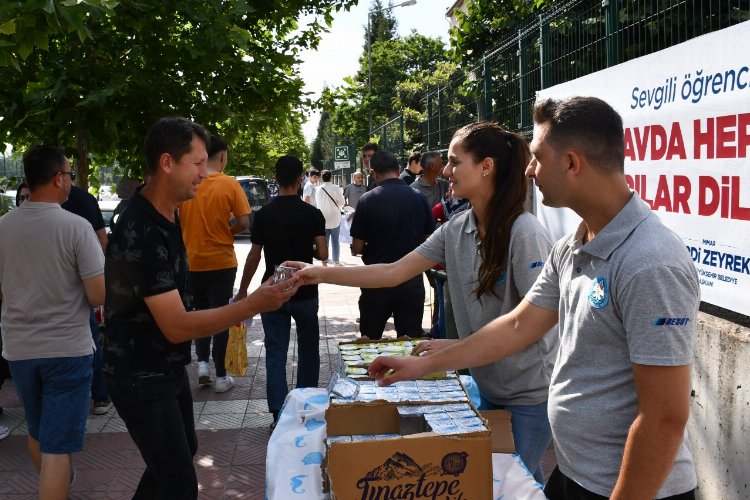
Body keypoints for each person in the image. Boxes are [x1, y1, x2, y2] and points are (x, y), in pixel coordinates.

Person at [367, 97, 699, 500]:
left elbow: (664, 418)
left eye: (538, 157)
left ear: (572, 163)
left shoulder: (650, 262)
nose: (528, 169)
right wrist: (423, 365)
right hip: (576, 475)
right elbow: (518, 326)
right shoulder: (572, 246)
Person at [287, 123, 558, 482]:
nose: (445, 172)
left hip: (529, 394)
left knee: (509, 480)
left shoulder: (525, 233)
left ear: (486, 167)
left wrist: (431, 360)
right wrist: (317, 273)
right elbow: (392, 272)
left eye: (454, 162)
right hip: (491, 383)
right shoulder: (458, 228)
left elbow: (528, 325)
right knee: (518, 478)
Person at [103, 117, 299, 499]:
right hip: (139, 374)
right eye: (196, 163)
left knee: (180, 455)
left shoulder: (170, 212)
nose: (203, 174)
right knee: (178, 482)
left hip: (166, 366)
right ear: (166, 163)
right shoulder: (138, 227)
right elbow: (176, 325)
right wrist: (252, 303)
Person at [0, 145, 106, 498]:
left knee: (38, 431)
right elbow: (98, 295)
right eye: (70, 175)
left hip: (19, 348)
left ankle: (55, 483)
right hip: (67, 349)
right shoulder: (76, 227)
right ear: (59, 178)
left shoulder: (3, 227)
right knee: (58, 447)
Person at [234, 155, 327, 428]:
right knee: (309, 350)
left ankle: (278, 413)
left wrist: (243, 290)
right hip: (305, 289)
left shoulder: (264, 214)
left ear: (276, 179)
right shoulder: (312, 214)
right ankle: (305, 407)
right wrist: (304, 248)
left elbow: (253, 257)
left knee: (276, 352)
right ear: (300, 178)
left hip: (272, 290)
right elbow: (322, 252)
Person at [180, 135, 251, 393]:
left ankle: (201, 365)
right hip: (222, 260)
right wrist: (227, 233)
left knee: (200, 313)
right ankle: (221, 376)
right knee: (221, 316)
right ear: (222, 156)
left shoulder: (189, 184)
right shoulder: (229, 184)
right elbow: (244, 221)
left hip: (192, 261)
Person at [340, 150, 435, 339]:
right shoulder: (419, 198)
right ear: (398, 169)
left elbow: (357, 247)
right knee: (410, 343)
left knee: (370, 341)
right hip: (411, 280)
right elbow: (429, 241)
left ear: (373, 173)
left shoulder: (367, 200)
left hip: (376, 281)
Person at [315, 169, 345, 266]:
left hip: (322, 218)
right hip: (335, 217)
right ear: (331, 177)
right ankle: (336, 261)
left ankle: (324, 261)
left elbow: (317, 203)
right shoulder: (336, 188)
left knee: (325, 241)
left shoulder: (318, 189)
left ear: (322, 178)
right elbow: (342, 203)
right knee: (335, 241)